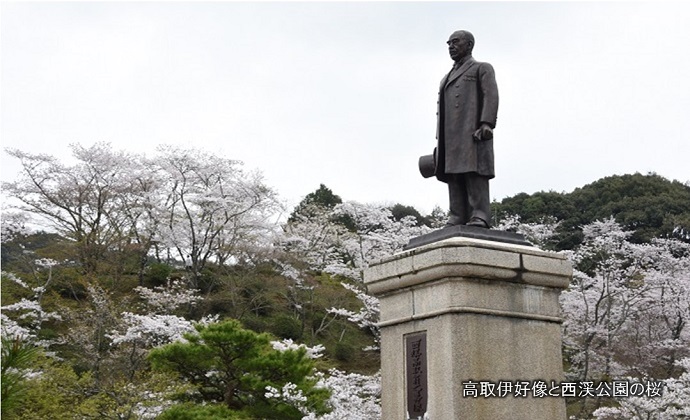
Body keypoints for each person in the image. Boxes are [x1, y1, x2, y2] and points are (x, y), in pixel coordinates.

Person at [434, 30, 498, 228]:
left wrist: (487, 123)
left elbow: (491, 95)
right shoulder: (446, 77)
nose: (451, 46)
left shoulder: (481, 68)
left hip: (472, 130)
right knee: (453, 173)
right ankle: (457, 214)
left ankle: (480, 215)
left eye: (455, 42)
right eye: (448, 43)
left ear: (469, 45)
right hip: (450, 134)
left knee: (474, 171)